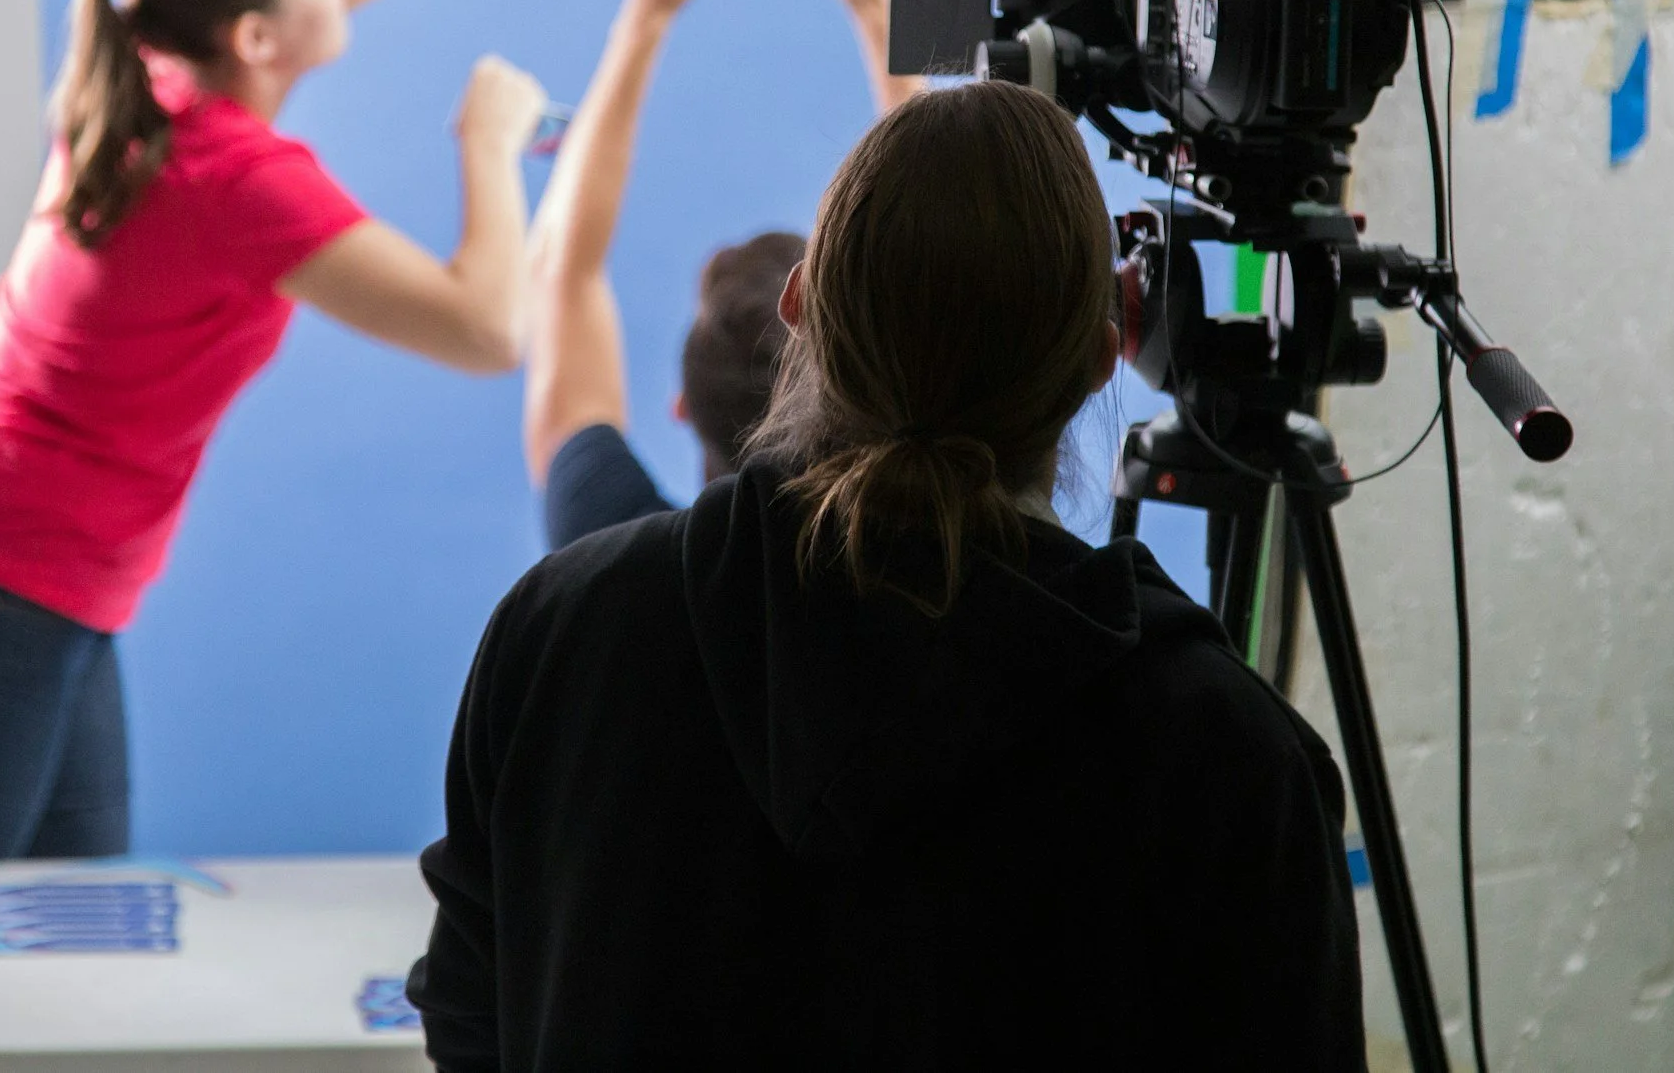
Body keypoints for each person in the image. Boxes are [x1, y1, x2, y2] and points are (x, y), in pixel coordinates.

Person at [0, 0, 767, 1073]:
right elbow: (485, 326)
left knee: (60, 1007)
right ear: (256, 30)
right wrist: (488, 145)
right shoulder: (232, 177)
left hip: (43, 599)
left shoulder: (162, 58)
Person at [410, 79, 1364, 1069]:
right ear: (1099, 356)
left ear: (798, 307)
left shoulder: (564, 629)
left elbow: (470, 1017)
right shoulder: (1228, 755)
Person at [522, 0, 923, 550]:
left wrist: (646, 12)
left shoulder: (605, 544)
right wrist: (878, 5)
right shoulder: (944, 559)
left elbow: (567, 276)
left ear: (682, 409)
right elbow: (954, 241)